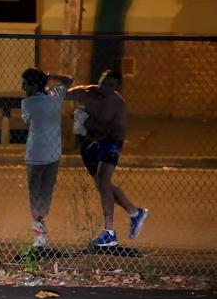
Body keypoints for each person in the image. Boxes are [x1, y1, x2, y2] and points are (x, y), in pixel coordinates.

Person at [66, 69, 149, 247]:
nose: (105, 87)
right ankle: (135, 212)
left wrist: (85, 121)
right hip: (89, 144)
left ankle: (109, 233)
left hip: (110, 143)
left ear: (117, 87)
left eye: (110, 85)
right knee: (102, 184)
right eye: (103, 82)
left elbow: (110, 130)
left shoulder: (117, 103)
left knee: (103, 181)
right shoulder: (88, 92)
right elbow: (65, 95)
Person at [20, 68, 73, 248]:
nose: (22, 87)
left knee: (35, 192)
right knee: (47, 190)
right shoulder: (55, 96)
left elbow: (26, 120)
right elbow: (68, 79)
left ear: (34, 85)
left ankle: (39, 233)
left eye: (25, 84)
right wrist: (51, 77)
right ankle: (41, 224)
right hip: (53, 152)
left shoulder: (28, 103)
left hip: (35, 153)